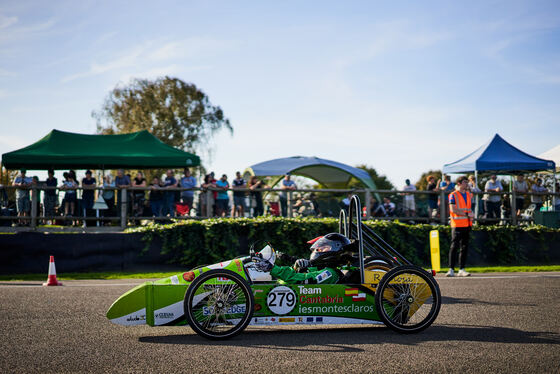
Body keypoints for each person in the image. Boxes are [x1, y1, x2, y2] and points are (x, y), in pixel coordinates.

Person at [253, 233, 352, 284]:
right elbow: (293, 274)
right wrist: (296, 267)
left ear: (336, 250)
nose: (317, 250)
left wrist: (272, 268)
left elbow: (301, 280)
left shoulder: (330, 273)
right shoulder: (318, 268)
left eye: (323, 247)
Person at [447, 176, 473, 277]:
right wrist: (467, 214)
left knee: (464, 247)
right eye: (465, 182)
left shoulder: (469, 194)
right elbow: (453, 209)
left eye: (467, 182)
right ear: (459, 183)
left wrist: (471, 216)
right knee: (454, 247)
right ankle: (451, 269)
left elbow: (469, 209)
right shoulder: (453, 195)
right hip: (457, 225)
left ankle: (462, 269)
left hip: (467, 224)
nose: (467, 184)